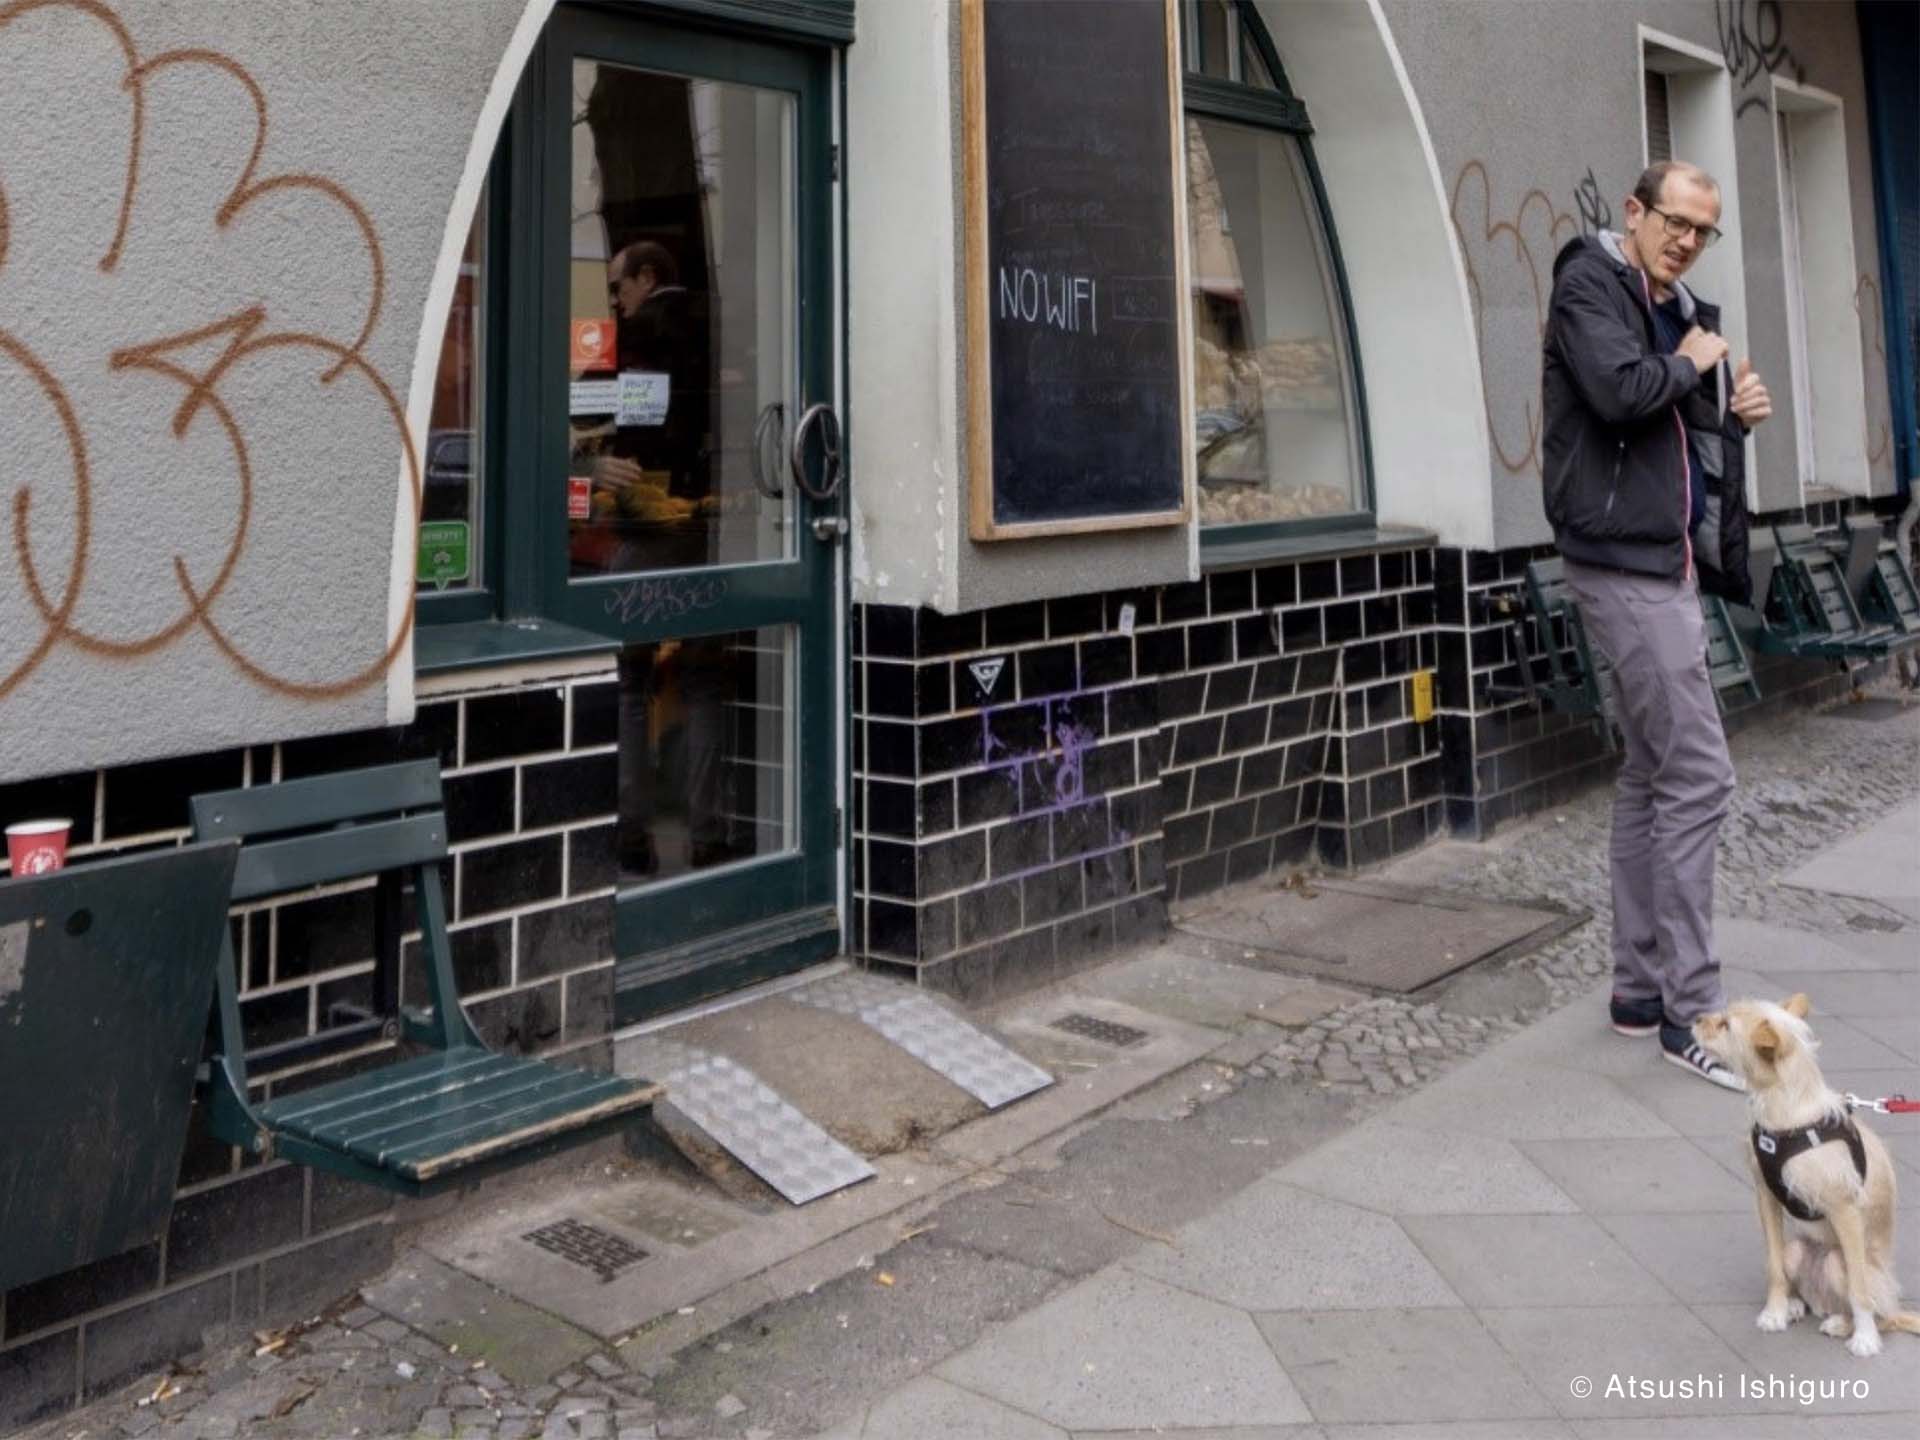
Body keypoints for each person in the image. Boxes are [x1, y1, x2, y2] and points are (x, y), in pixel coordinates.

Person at [1540, 160, 1773, 1090]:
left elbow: (1688, 428)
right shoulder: (1587, 282)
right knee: (1700, 774)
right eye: (1674, 222)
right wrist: (1691, 365)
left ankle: (1640, 995)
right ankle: (1694, 1013)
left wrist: (1738, 414)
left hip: (1661, 559)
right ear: (1634, 212)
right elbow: (1621, 393)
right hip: (1621, 564)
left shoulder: (1683, 309)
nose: (1686, 241)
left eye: (1701, 231)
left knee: (1650, 771)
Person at [587, 241, 732, 879]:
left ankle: (630, 838)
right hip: (709, 529)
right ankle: (707, 837)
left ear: (648, 276)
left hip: (647, 532)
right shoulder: (727, 323)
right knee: (703, 684)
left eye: (618, 286)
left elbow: (579, 402)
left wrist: (591, 460)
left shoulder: (638, 332)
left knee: (630, 683)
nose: (614, 301)